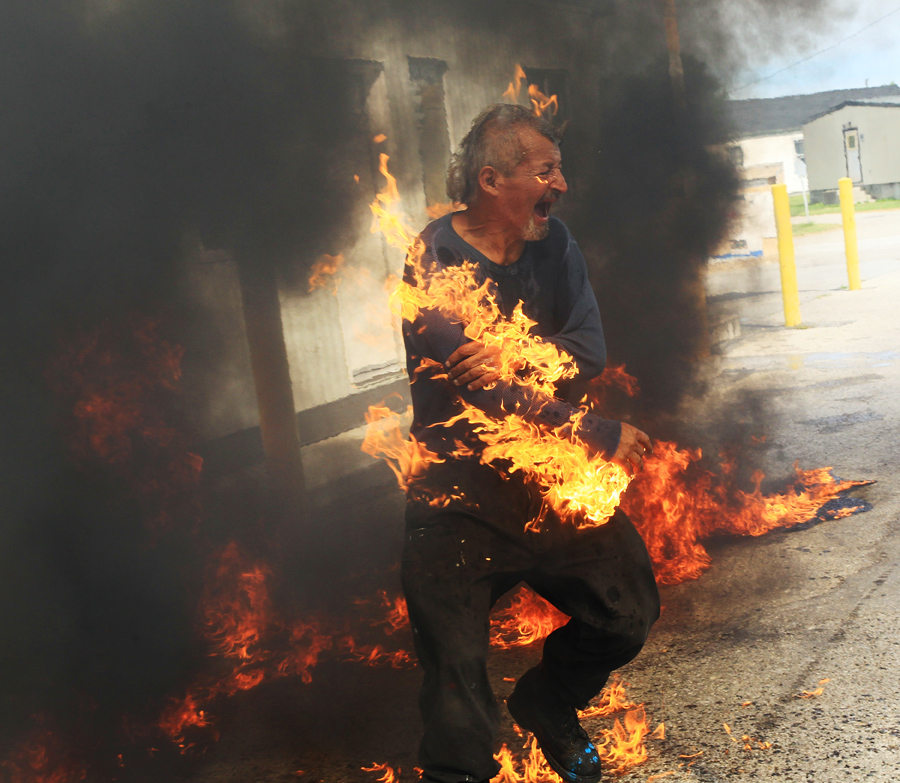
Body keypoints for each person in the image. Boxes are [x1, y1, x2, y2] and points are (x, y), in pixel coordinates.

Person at [400, 103, 660, 783]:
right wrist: (597, 430)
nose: (562, 183)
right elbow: (480, 395)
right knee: (455, 678)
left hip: (549, 481)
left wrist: (513, 354)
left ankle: (547, 702)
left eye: (560, 168)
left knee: (628, 610)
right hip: (459, 493)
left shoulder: (557, 245)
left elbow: (589, 352)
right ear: (493, 180)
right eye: (546, 170)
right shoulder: (434, 259)